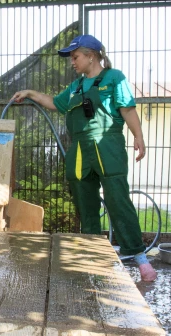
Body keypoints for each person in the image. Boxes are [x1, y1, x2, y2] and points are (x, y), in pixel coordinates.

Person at [10, 34, 157, 282]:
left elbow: (128, 109)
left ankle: (140, 258)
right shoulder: (76, 86)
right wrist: (31, 93)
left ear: (91, 56)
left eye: (75, 57)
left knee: (117, 200)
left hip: (107, 144)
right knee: (85, 204)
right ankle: (93, 255)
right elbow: (55, 103)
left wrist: (138, 137)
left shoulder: (114, 78)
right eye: (71, 58)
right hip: (79, 149)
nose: (72, 62)